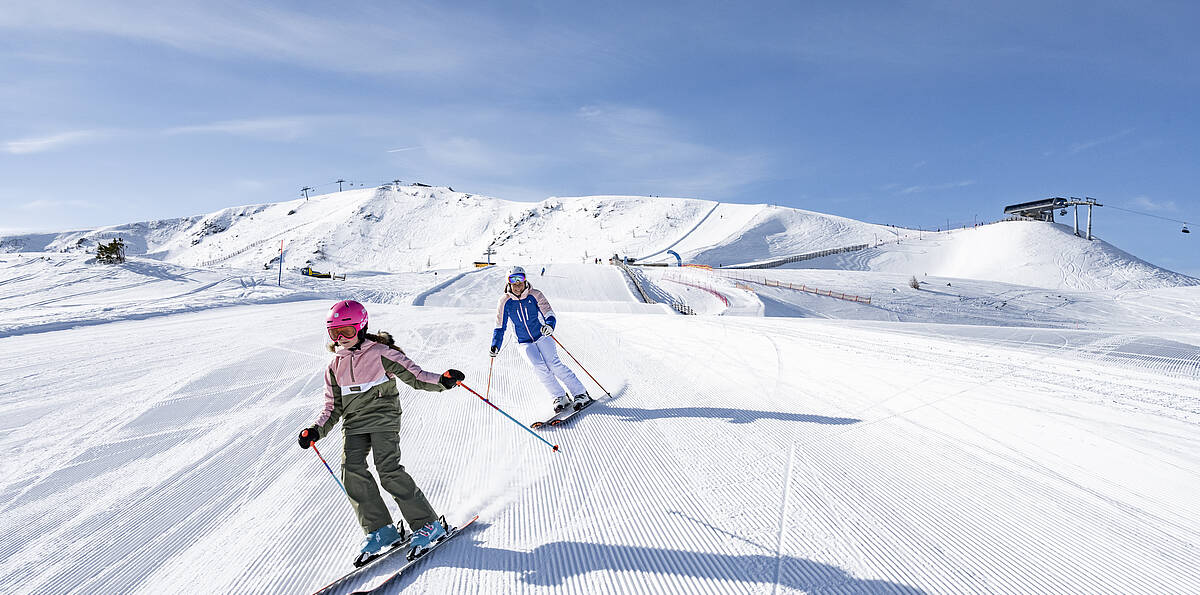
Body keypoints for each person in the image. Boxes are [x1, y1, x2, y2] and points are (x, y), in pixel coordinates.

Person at [298, 299, 466, 566]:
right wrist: (315, 430)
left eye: (347, 332)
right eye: (335, 333)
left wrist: (443, 381)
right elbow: (332, 407)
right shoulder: (334, 367)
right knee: (350, 469)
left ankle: (427, 524)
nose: (341, 339)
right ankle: (381, 530)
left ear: (361, 328)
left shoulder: (380, 353)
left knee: (387, 469)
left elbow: (416, 376)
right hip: (354, 423)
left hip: (383, 417)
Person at [490, 266, 591, 414]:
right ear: (508, 283)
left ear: (525, 280)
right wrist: (495, 345)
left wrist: (550, 325)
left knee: (553, 364)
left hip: (542, 335)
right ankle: (559, 397)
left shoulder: (535, 295)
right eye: (513, 280)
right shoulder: (505, 302)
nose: (518, 284)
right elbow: (500, 326)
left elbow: (548, 312)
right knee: (538, 367)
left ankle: (580, 393)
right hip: (523, 342)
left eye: (521, 279)